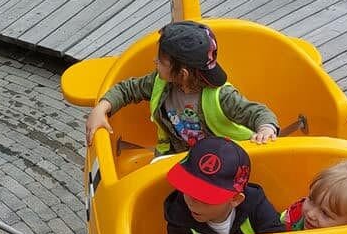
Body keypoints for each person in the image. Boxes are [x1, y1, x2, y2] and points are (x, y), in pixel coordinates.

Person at [84, 21, 279, 154]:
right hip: (177, 154)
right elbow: (128, 89)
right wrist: (102, 107)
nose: (154, 62)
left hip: (220, 159)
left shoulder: (222, 96)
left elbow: (258, 112)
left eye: (160, 61)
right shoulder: (160, 82)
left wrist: (266, 129)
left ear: (182, 74)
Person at [164, 136, 284, 234]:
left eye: (204, 196)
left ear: (236, 199)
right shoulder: (178, 217)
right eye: (187, 188)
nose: (191, 201)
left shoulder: (255, 204)